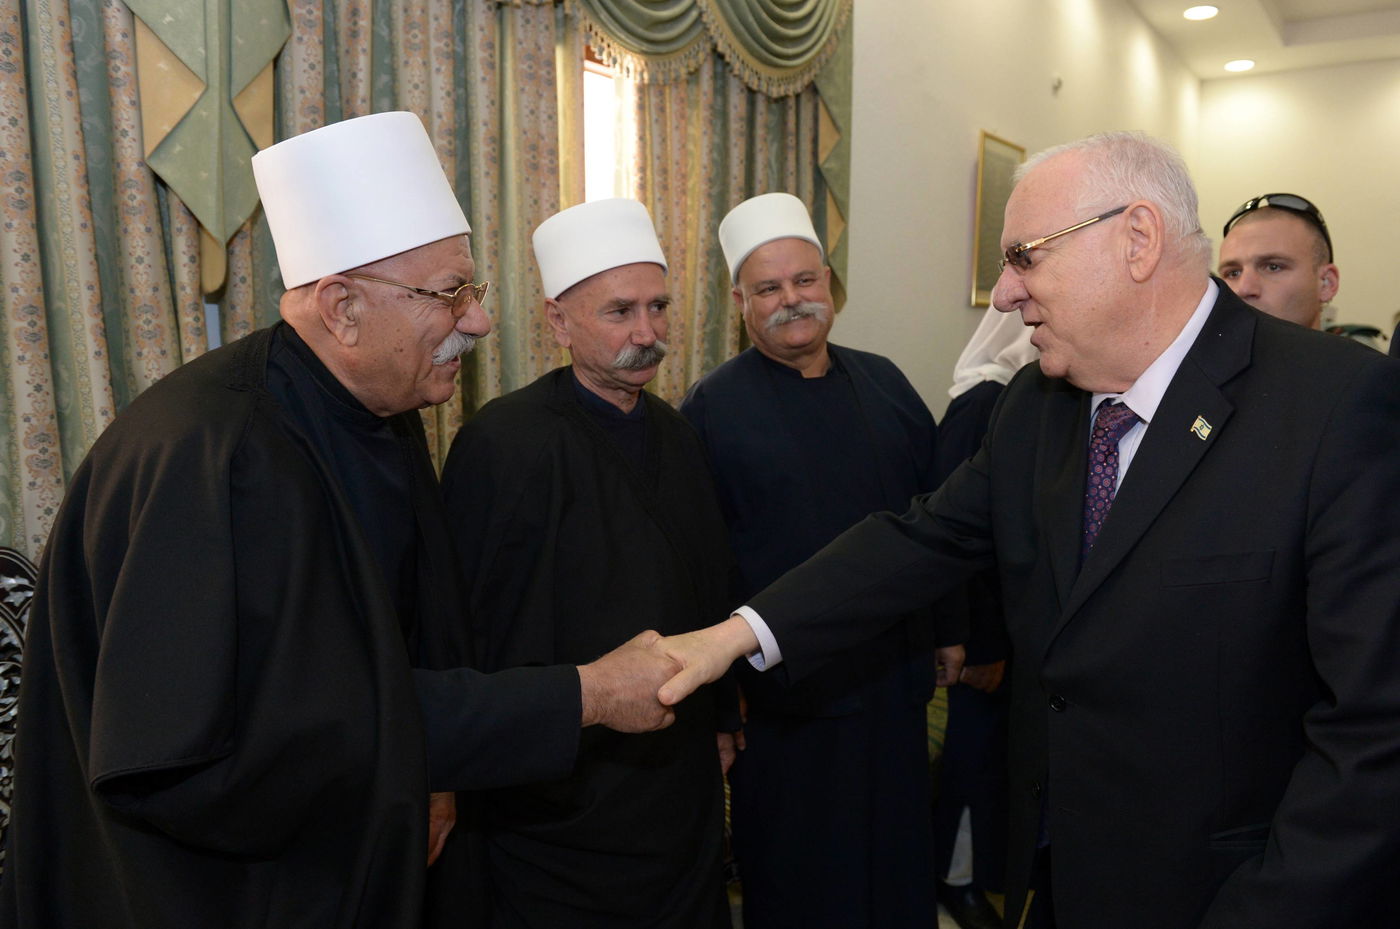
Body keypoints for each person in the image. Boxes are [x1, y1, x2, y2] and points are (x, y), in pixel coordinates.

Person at [653, 131, 1400, 929]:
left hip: (1223, 890)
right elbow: (919, 538)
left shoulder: (1336, 406)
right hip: (1053, 874)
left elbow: (1374, 734)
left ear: (1137, 239)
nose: (1004, 295)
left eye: (1025, 257)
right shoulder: (1036, 408)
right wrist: (733, 636)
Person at [0, 113, 679, 929]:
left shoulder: (382, 410)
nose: (479, 320)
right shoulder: (208, 459)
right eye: (449, 293)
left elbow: (400, 644)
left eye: (475, 288)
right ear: (343, 307)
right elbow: (222, 746)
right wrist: (586, 694)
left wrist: (430, 776)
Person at [439, 198, 734, 928]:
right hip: (557, 797)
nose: (648, 333)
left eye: (659, 307)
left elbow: (712, 589)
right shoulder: (501, 443)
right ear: (559, 322)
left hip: (680, 782)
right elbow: (457, 625)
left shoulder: (681, 434)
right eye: (620, 312)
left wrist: (724, 719)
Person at [679, 192, 961, 929]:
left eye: (805, 281)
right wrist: (720, 705)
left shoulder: (887, 383)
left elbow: (942, 517)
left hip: (896, 686)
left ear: (828, 284)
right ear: (740, 301)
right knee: (804, 881)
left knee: (898, 869)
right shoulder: (711, 407)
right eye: (768, 288)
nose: (791, 300)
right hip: (786, 703)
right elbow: (698, 565)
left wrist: (951, 628)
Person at [931, 307, 1036, 929]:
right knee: (972, 766)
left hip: (1022, 634)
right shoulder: (984, 402)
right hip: (983, 636)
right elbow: (958, 543)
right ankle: (957, 878)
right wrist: (977, 643)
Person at [1217, 193, 1337, 329]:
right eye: (1233, 273)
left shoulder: (1357, 350)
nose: (1244, 289)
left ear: (1326, 284)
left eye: (1273, 267)